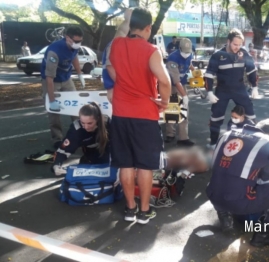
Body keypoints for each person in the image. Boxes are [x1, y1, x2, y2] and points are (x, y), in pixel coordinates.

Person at [109, 7, 171, 224]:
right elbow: (164, 81)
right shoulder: (151, 50)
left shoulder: (116, 44)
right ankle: (144, 212)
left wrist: (128, 17)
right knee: (144, 165)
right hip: (145, 115)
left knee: (125, 164)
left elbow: (121, 30)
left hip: (120, 113)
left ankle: (130, 209)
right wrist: (164, 102)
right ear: (148, 28)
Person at [206, 119, 269, 246]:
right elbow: (264, 183)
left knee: (223, 179)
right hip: (237, 203)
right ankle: (264, 235)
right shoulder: (268, 142)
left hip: (213, 195)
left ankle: (225, 217)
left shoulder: (227, 134)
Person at [204, 28, 259, 148]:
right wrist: (209, 92)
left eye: (240, 44)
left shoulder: (244, 53)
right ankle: (213, 143)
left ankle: (253, 142)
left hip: (239, 88)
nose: (237, 47)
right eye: (235, 44)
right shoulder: (217, 55)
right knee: (216, 117)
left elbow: (252, 71)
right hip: (222, 90)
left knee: (250, 114)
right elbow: (208, 75)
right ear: (228, 41)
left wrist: (254, 87)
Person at [41, 26, 86, 149]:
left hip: (66, 79)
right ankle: (57, 138)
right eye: (76, 41)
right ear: (67, 38)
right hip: (52, 81)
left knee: (76, 106)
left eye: (80, 41)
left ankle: (80, 134)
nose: (78, 44)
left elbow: (74, 57)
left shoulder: (74, 46)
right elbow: (49, 78)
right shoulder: (54, 51)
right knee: (54, 112)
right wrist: (52, 100)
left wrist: (79, 74)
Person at [52, 102, 110, 176]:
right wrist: (57, 165)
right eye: (83, 123)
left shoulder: (108, 123)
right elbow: (64, 150)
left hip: (110, 151)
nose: (86, 127)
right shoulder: (76, 130)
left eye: (90, 123)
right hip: (91, 154)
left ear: (98, 119)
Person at [165, 38, 195, 146]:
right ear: (180, 48)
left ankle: (183, 137)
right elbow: (176, 80)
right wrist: (185, 95)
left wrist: (194, 71)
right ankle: (170, 134)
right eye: (185, 51)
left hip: (182, 84)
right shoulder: (173, 58)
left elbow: (189, 63)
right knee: (172, 109)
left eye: (189, 51)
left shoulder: (190, 54)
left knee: (184, 110)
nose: (187, 54)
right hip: (171, 85)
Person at [102, 9, 132, 103]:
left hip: (117, 87)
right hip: (114, 88)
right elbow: (110, 67)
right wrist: (125, 85)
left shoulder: (118, 44)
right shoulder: (115, 45)